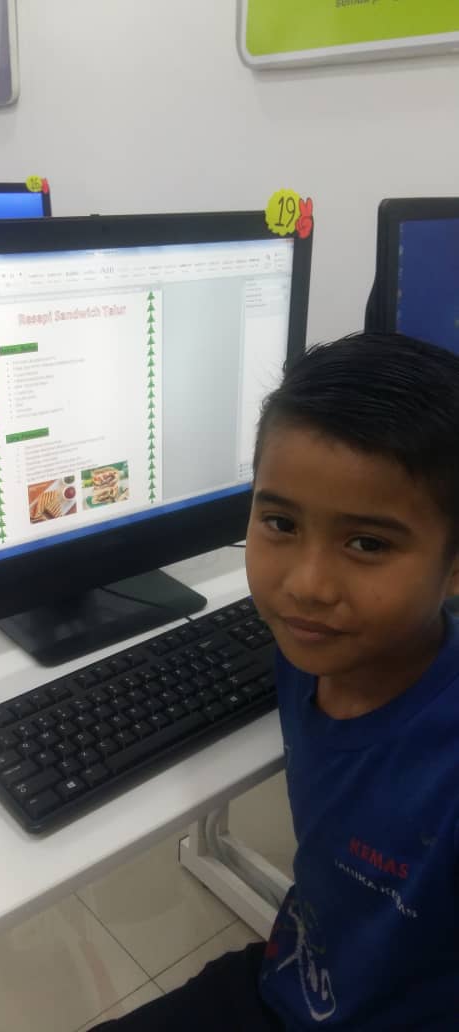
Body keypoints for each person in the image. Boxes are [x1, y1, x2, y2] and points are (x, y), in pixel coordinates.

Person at [92, 332, 459, 1030]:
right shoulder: (305, 652)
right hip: (293, 975)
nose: (306, 585)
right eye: (281, 522)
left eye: (367, 543)